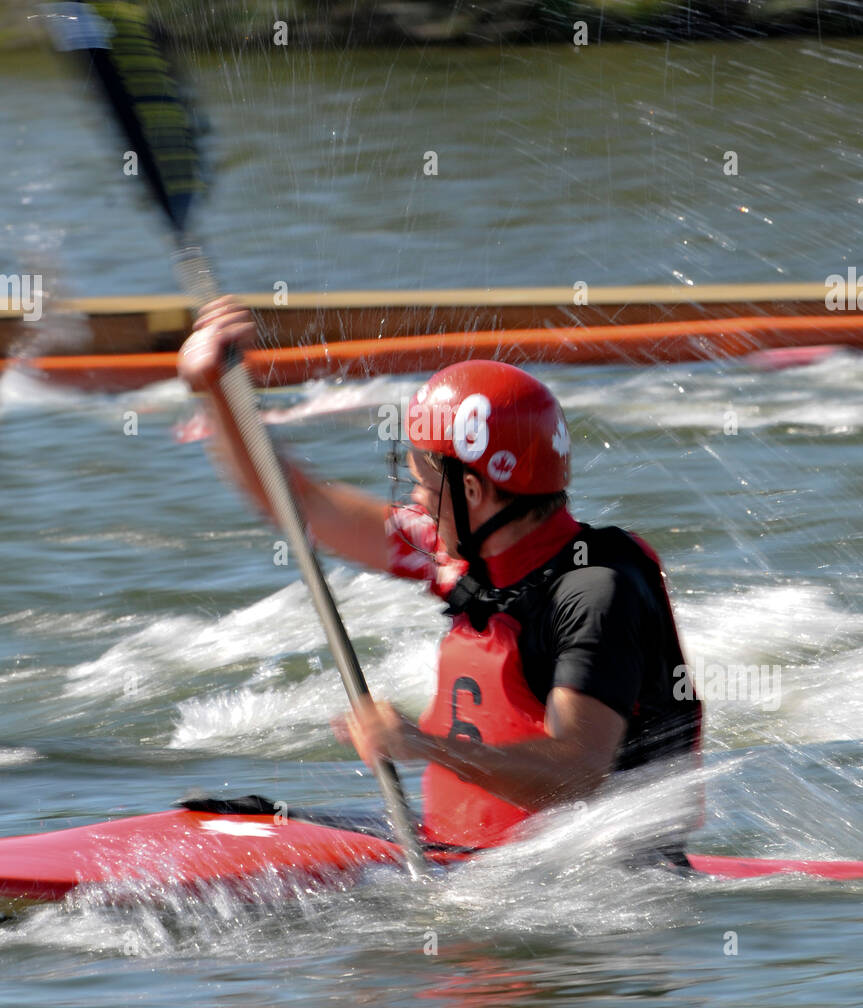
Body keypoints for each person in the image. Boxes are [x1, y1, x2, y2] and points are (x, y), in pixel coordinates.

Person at [178, 299, 701, 858]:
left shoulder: (596, 590)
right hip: (461, 854)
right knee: (227, 819)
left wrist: (423, 745)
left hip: (584, 880)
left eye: (424, 484)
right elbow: (303, 504)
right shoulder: (462, 555)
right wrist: (219, 393)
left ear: (473, 492)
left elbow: (576, 773)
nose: (415, 501)